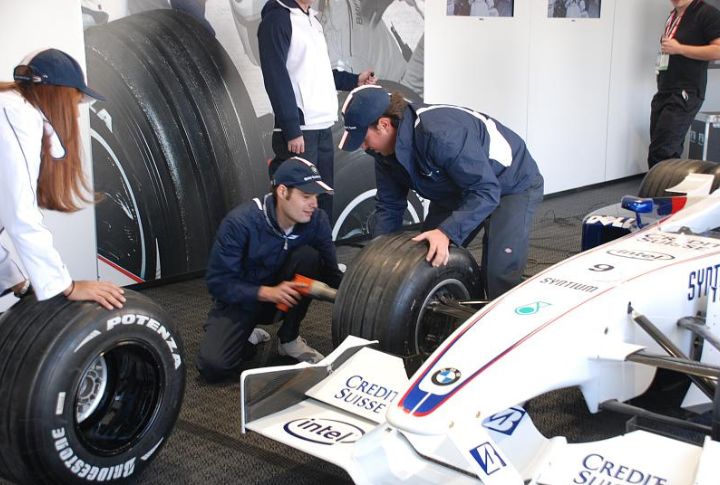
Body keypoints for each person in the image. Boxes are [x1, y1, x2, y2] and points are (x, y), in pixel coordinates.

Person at [339, 85, 544, 299]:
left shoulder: (439, 134)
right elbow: (389, 206)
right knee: (426, 258)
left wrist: (446, 232)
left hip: (511, 184)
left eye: (363, 138)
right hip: (458, 189)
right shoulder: (383, 153)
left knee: (498, 273)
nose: (363, 147)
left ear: (384, 124)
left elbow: (486, 190)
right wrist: (378, 253)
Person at [196, 157, 343, 382]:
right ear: (282, 192)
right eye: (306, 196)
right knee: (213, 367)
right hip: (243, 300)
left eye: (315, 196)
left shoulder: (317, 221)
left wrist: (362, 297)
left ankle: (289, 339)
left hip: (284, 300)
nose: (314, 203)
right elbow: (218, 283)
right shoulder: (240, 223)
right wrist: (267, 292)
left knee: (309, 257)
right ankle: (246, 334)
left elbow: (332, 273)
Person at [0, 48, 125, 310]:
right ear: (57, 95)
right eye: (75, 103)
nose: (76, 114)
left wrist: (18, 282)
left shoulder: (12, 108)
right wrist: (67, 286)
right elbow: (21, 216)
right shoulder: (16, 115)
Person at [257, 0, 377, 219]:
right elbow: (275, 77)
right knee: (296, 205)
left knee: (322, 200)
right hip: (300, 131)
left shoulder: (312, 20)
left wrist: (354, 80)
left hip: (322, 126)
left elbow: (318, 73)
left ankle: (321, 242)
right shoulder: (277, 19)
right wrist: (292, 129)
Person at [648, 0, 720, 168]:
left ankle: (662, 184)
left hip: (686, 92)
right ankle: (669, 183)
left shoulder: (707, 13)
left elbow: (718, 50)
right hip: (665, 89)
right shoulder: (673, 15)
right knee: (661, 150)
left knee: (662, 152)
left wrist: (680, 48)